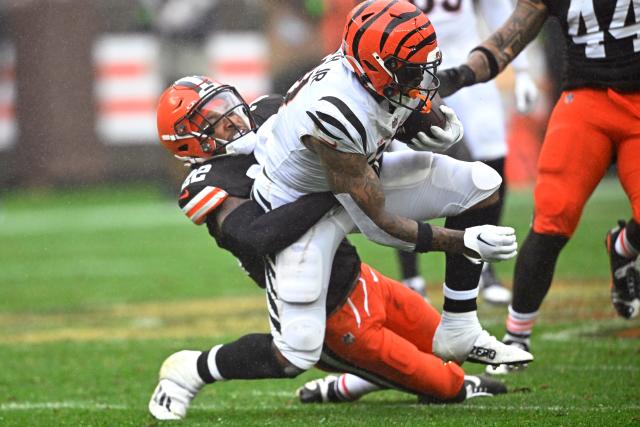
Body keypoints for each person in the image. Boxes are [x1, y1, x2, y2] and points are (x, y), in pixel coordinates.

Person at [148, 76, 507, 420]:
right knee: (447, 386)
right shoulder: (209, 183)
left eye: (224, 104)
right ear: (188, 143)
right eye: (211, 121)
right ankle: (192, 368)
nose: (230, 118)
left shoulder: (272, 112)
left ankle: (350, 384)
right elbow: (258, 235)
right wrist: (337, 186)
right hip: (321, 308)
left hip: (361, 277)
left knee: (451, 347)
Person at [250, 0, 532, 375]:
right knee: (297, 352)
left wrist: (431, 122)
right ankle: (191, 371)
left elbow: (400, 101)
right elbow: (378, 224)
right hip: (298, 209)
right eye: (410, 71)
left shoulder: (372, 69)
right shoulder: (336, 110)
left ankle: (459, 326)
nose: (421, 79)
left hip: (351, 179)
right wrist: (462, 241)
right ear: (378, 66)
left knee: (481, 182)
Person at [435, 0, 640, 374]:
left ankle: (624, 245)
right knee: (553, 215)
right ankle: (517, 338)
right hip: (586, 102)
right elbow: (508, 38)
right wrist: (462, 74)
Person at [392, 0, 540, 305]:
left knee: (492, 157)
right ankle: (411, 277)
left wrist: (522, 70)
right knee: (405, 166)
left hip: (467, 65)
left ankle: (481, 265)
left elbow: (500, 10)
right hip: (410, 68)